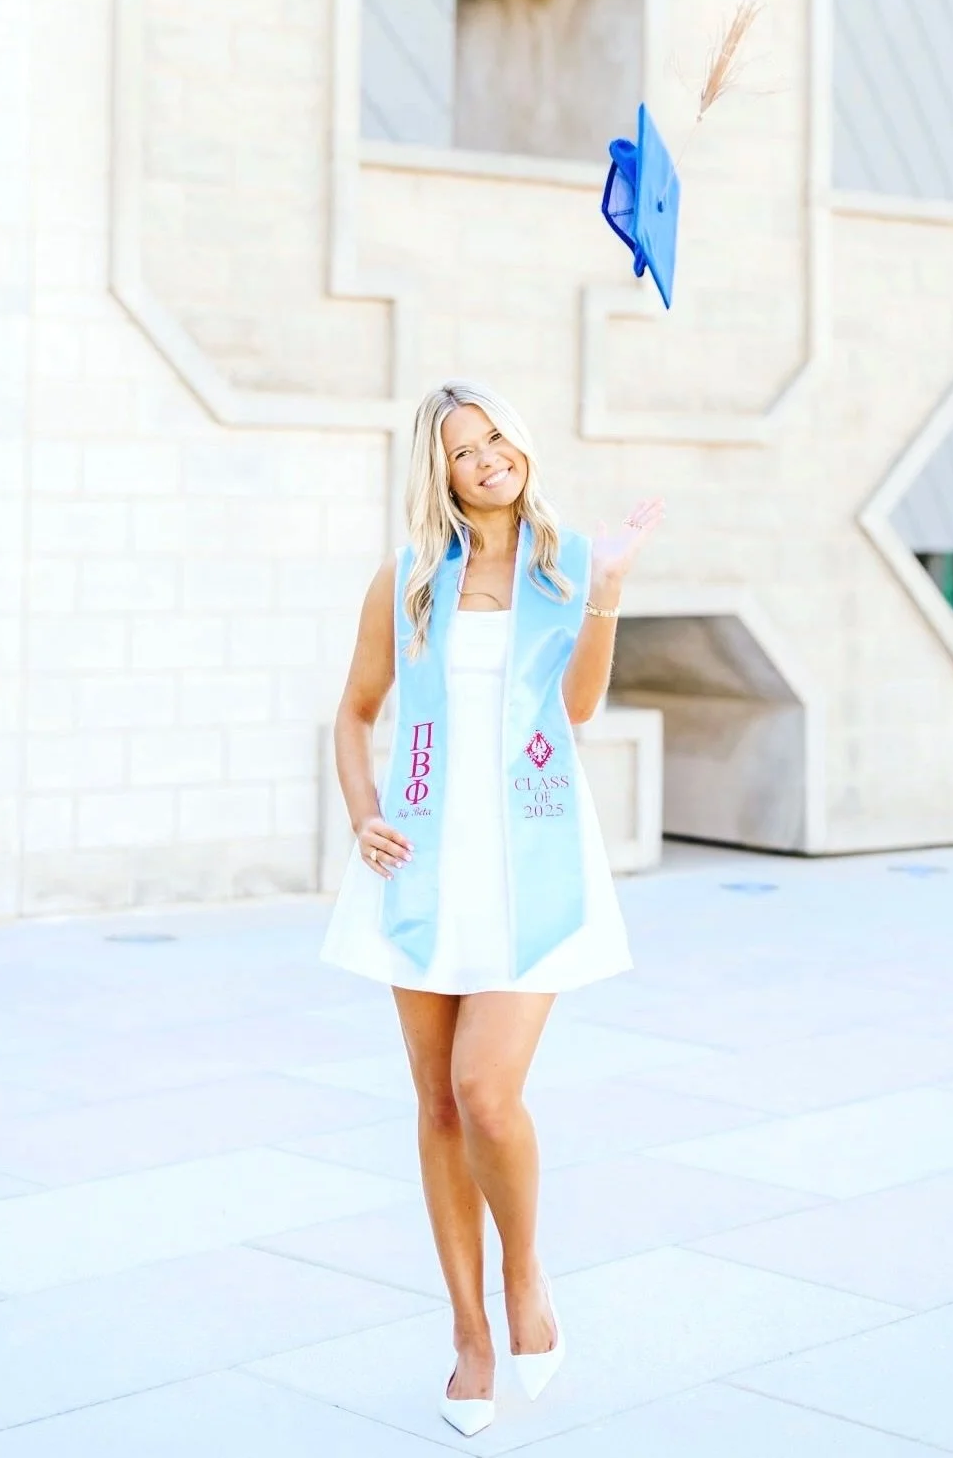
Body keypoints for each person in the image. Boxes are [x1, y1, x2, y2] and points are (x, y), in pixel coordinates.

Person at [321, 378, 664, 1435]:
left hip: (532, 865)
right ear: (441, 470)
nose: (487, 459)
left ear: (522, 444)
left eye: (498, 438)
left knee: (485, 1092)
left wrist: (604, 585)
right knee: (432, 1105)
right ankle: (469, 1335)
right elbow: (354, 711)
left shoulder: (562, 571)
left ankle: (525, 1273)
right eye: (463, 449)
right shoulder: (410, 578)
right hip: (419, 865)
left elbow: (575, 708)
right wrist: (363, 813)